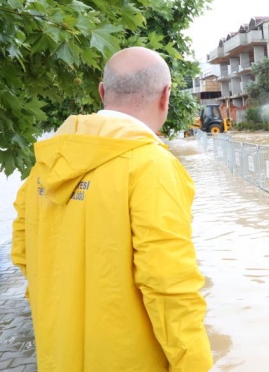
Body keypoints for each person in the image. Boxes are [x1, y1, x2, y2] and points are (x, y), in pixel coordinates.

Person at [11, 47, 213, 372]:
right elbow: (169, 284)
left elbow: (23, 254)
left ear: (102, 92)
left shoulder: (45, 165)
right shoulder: (151, 166)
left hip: (57, 355)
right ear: (166, 96)